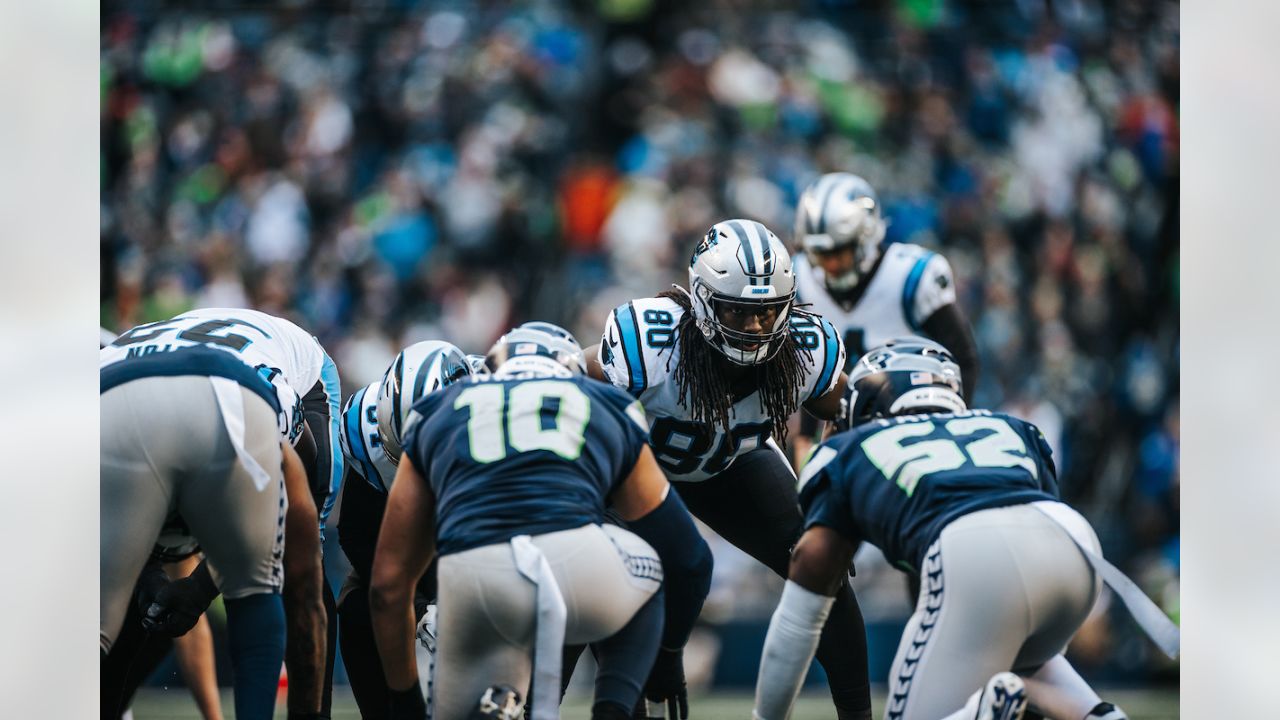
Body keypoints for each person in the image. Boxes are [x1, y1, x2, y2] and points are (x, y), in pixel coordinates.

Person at [753, 339, 1178, 720]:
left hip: (973, 550)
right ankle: (1092, 714)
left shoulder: (849, 448)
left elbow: (808, 580)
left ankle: (985, 708)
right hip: (1073, 543)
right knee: (1016, 649)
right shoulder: (1013, 427)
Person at [585, 219, 873, 719]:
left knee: (822, 571)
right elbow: (577, 383)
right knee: (619, 598)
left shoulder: (805, 349)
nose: (755, 327)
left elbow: (854, 408)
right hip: (636, 474)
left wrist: (834, 496)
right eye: (738, 311)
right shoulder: (650, 342)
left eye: (766, 313)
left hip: (732, 466)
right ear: (700, 300)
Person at [370, 330, 712, 720]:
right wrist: (665, 664)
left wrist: (404, 702)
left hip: (470, 580)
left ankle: (503, 702)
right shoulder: (606, 403)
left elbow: (386, 588)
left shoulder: (436, 412)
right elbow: (690, 557)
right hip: (573, 564)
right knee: (648, 569)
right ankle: (613, 710)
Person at [103, 308, 346, 716]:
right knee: (265, 584)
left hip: (133, 388)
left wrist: (197, 588)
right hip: (227, 386)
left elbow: (292, 485)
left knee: (300, 564)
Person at [789, 172, 979, 466]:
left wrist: (954, 422)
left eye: (840, 252)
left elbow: (963, 356)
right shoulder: (799, 278)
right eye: (821, 254)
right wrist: (804, 438)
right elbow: (812, 370)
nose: (831, 265)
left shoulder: (910, 276)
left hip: (914, 422)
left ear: (867, 237)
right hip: (844, 428)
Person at [335, 340, 472, 719]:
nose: (416, 464)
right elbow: (356, 534)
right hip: (405, 547)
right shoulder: (365, 434)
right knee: (356, 607)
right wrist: (419, 603)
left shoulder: (498, 408)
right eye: (405, 449)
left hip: (479, 544)